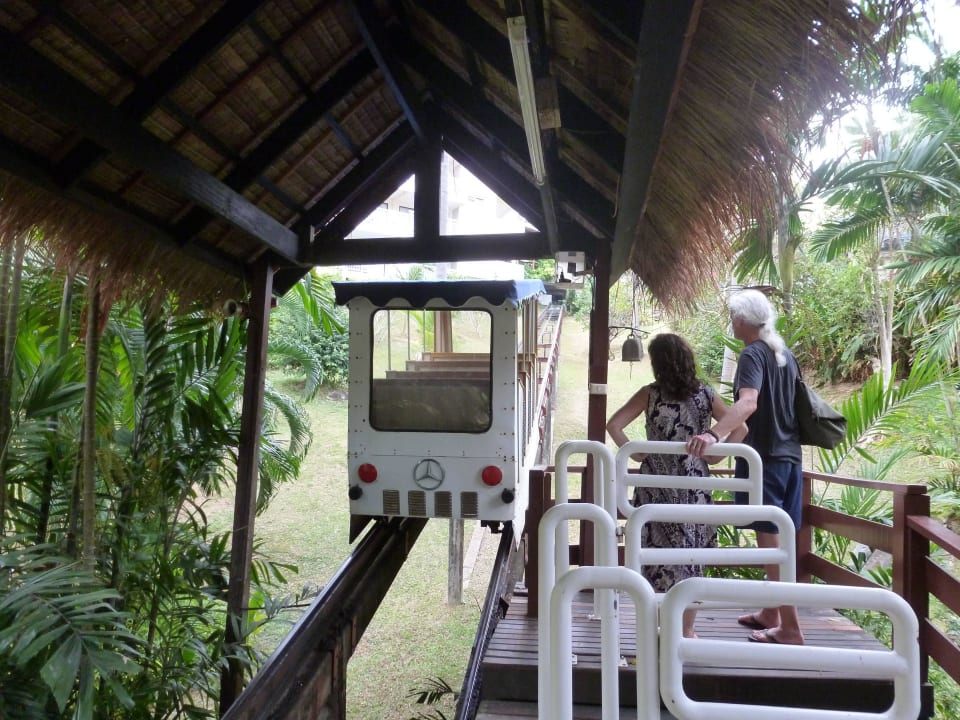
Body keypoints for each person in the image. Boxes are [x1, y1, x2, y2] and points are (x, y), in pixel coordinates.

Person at [686, 289, 805, 645]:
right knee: (781, 540)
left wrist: (714, 434)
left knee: (771, 543)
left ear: (741, 320)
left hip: (765, 459)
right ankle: (771, 612)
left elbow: (748, 403)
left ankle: (791, 629)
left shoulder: (753, 354)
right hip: (790, 457)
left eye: (732, 317)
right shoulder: (784, 355)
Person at [607, 333, 744, 639]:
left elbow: (613, 424)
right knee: (691, 557)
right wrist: (716, 456)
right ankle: (687, 629)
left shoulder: (649, 394)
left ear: (658, 363)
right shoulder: (706, 395)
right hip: (693, 486)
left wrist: (637, 451)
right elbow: (741, 427)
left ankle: (657, 627)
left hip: (654, 482)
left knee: (653, 554)